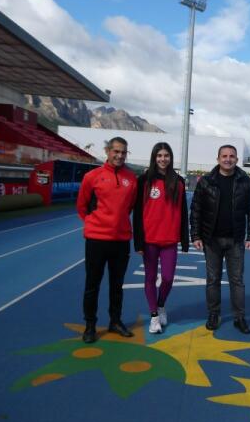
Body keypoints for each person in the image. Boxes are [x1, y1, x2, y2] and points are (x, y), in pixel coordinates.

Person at [190, 144, 250, 334]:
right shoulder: (206, 181)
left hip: (235, 240)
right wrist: (195, 235)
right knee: (213, 280)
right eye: (224, 156)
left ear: (237, 159)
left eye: (231, 156)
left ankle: (239, 317)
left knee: (237, 281)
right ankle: (214, 314)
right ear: (218, 158)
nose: (228, 159)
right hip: (211, 240)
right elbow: (196, 210)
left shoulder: (245, 182)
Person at [77, 136, 137, 344]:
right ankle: (90, 326)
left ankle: (115, 321)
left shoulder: (132, 179)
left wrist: (117, 225)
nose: (119, 155)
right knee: (92, 284)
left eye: (123, 152)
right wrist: (97, 224)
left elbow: (129, 207)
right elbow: (82, 206)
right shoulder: (92, 177)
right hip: (97, 240)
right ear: (108, 151)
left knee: (116, 284)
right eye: (116, 151)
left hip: (120, 241)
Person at [133, 142, 189, 334]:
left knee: (167, 278)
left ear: (171, 158)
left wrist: (185, 239)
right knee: (149, 278)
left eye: (166, 155)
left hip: (170, 240)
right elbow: (138, 213)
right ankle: (154, 317)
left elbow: (183, 212)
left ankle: (161, 304)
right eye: (159, 155)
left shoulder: (179, 182)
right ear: (154, 157)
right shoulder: (144, 180)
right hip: (149, 240)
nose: (163, 159)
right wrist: (138, 241)